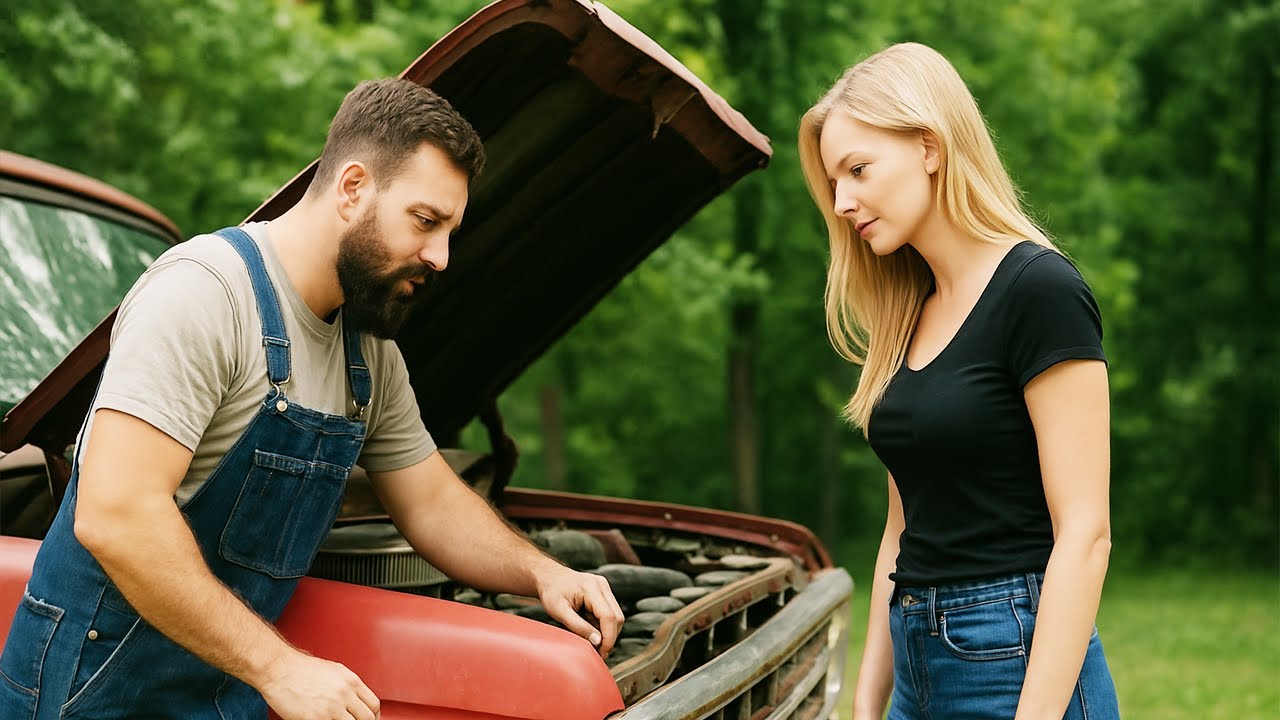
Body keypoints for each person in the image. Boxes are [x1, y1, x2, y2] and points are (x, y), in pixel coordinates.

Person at [0, 78, 623, 720]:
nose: (440, 257)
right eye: (425, 221)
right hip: (90, 695)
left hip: (220, 692)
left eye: (450, 232)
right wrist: (279, 667)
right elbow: (117, 516)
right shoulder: (206, 294)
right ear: (352, 188)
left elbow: (433, 502)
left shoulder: (369, 356)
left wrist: (543, 573)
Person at [798, 43, 1120, 720]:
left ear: (929, 147)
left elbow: (1086, 535)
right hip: (918, 666)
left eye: (857, 170)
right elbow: (902, 529)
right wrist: (868, 700)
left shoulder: (1040, 290)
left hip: (1016, 660)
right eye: (833, 182)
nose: (843, 201)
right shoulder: (907, 311)